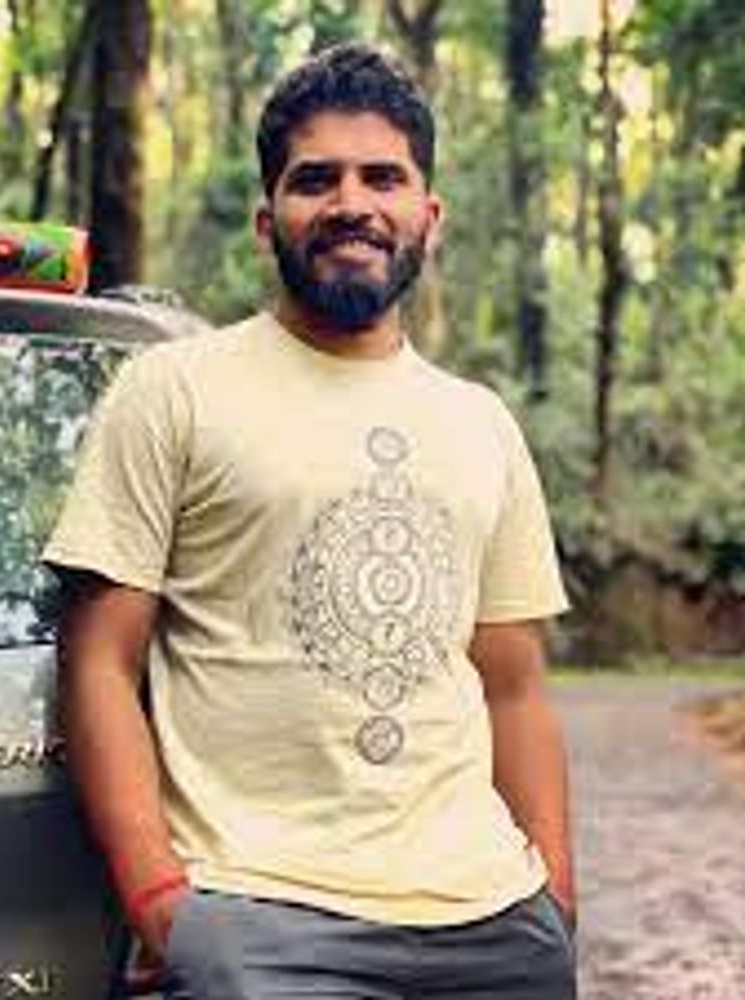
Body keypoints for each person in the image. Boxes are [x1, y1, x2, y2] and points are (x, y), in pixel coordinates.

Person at [44, 42, 577, 1000]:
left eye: (384, 177)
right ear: (268, 219)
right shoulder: (173, 391)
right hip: (261, 918)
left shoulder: (481, 423)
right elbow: (98, 662)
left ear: (429, 216)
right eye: (315, 179)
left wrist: (556, 905)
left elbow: (514, 687)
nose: (350, 203)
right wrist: (160, 900)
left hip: (495, 927)